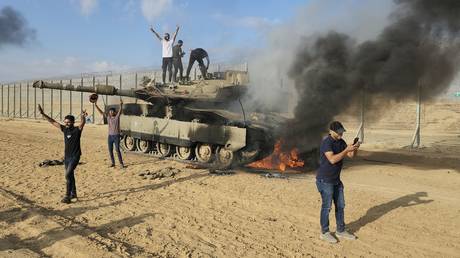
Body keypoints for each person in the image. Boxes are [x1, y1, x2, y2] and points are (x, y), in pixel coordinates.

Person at [316, 121, 360, 243]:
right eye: (339, 132)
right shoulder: (327, 142)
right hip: (325, 180)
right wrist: (346, 150)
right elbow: (333, 159)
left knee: (340, 206)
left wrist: (354, 148)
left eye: (342, 131)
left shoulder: (341, 142)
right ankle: (324, 232)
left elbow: (351, 155)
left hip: (336, 180)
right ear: (332, 131)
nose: (341, 134)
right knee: (327, 207)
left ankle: (340, 230)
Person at [38, 104, 87, 204]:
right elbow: (53, 122)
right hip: (67, 157)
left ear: (73, 122)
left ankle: (67, 196)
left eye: (68, 122)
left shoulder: (77, 130)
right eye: (65, 122)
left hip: (75, 156)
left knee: (67, 174)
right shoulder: (64, 129)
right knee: (70, 175)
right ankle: (74, 193)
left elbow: (82, 123)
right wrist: (43, 114)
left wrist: (82, 116)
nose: (67, 124)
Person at [95, 98, 125, 169]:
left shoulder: (117, 117)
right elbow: (101, 112)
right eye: (110, 112)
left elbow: (120, 111)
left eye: (112, 112)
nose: (111, 113)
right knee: (110, 150)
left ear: (115, 112)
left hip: (116, 136)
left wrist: (121, 105)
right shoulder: (108, 118)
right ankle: (113, 163)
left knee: (117, 150)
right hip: (110, 137)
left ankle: (121, 163)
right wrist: (96, 105)